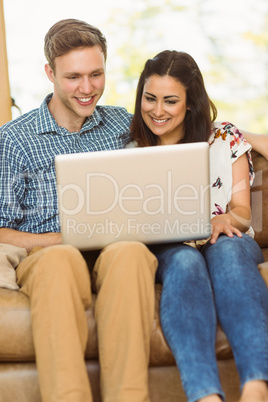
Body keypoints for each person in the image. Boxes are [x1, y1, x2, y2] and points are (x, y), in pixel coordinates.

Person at [0, 19, 158, 402]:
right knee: (60, 260)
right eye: (73, 77)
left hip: (113, 247)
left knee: (132, 252)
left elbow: (187, 135)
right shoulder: (14, 139)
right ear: (49, 73)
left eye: (96, 74)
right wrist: (55, 239)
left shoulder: (124, 123)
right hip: (49, 253)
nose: (87, 89)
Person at [129, 50, 268, 402]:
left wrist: (224, 219)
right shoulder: (131, 149)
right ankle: (205, 395)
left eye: (170, 101)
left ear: (190, 104)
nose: (157, 110)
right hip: (171, 247)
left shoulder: (224, 140)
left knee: (230, 251)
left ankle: (256, 387)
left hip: (227, 237)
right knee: (185, 261)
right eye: (150, 98)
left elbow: (242, 212)